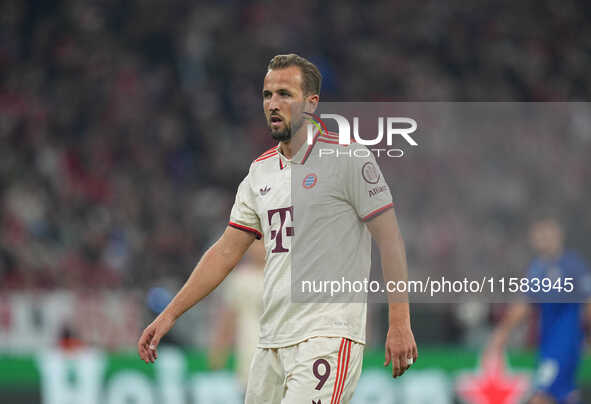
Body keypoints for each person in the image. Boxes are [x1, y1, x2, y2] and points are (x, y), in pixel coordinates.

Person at [138, 53, 417, 403]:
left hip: (327, 336)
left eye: (285, 94)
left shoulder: (349, 159)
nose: (273, 103)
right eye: (268, 94)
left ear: (311, 103)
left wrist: (400, 321)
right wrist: (169, 315)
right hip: (270, 342)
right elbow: (226, 252)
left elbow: (389, 241)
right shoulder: (260, 173)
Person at [487, 218, 591, 404]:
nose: (543, 239)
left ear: (559, 235)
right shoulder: (537, 269)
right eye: (539, 235)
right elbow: (525, 304)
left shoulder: (572, 266)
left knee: (540, 398)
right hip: (547, 345)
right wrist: (503, 331)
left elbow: (588, 303)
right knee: (562, 396)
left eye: (547, 234)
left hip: (564, 345)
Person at [209, 240, 265, 392]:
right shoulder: (240, 279)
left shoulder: (287, 276)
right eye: (257, 243)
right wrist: (219, 352)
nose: (261, 248)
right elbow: (228, 319)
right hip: (249, 358)